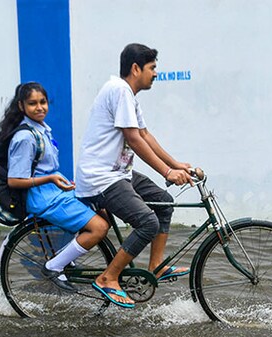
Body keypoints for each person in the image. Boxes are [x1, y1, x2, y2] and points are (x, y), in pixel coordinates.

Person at [75, 43, 193, 308]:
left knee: (164, 202)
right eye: (152, 68)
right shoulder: (119, 91)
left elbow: (144, 135)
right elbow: (133, 139)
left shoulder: (128, 95)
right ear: (136, 68)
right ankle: (109, 277)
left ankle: (156, 266)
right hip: (101, 178)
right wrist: (167, 171)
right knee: (147, 223)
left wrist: (176, 164)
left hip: (119, 173)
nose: (155, 74)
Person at [0, 82, 109, 291]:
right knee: (99, 227)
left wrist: (63, 182)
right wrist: (51, 179)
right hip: (42, 197)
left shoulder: (42, 131)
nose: (39, 108)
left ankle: (65, 256)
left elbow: (46, 170)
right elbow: (15, 180)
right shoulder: (25, 137)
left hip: (54, 191)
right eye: (32, 103)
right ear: (21, 106)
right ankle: (55, 265)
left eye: (43, 102)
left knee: (104, 207)